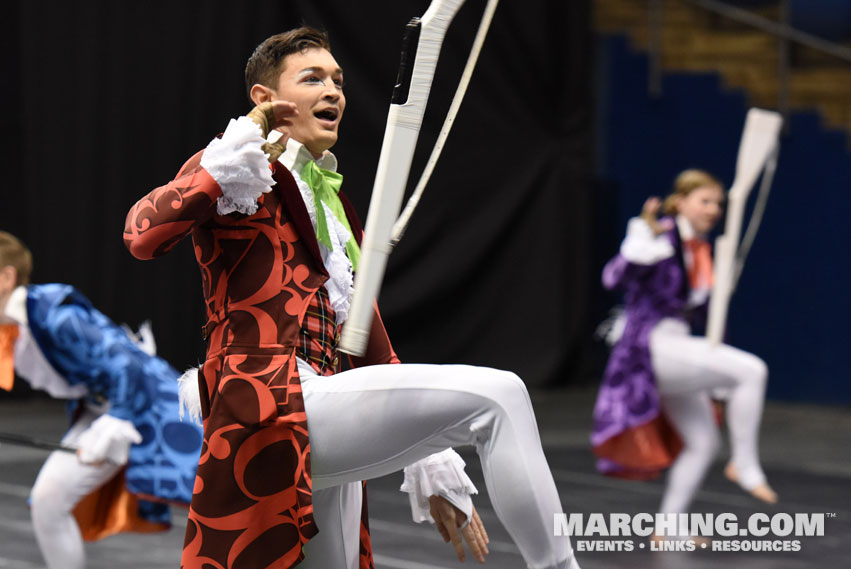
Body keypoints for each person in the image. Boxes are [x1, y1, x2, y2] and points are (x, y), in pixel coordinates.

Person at [124, 26, 580, 569]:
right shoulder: (234, 169)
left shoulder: (332, 207)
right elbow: (143, 234)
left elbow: (368, 337)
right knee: (499, 395)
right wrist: (241, 140)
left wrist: (429, 460)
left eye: (338, 79)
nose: (335, 90)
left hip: (319, 402)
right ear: (265, 99)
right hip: (268, 398)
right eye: (312, 78)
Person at [0, 230, 204, 569]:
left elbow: (125, 364)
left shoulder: (55, 315)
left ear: (6, 277)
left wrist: (118, 421)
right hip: (105, 409)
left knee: (212, 493)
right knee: (50, 501)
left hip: (146, 405)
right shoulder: (16, 324)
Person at [591, 169, 777, 539]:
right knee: (753, 370)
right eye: (705, 201)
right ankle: (745, 464)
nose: (713, 209)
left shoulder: (702, 250)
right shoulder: (660, 236)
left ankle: (668, 527)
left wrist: (716, 381)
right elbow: (613, 278)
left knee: (703, 442)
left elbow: (708, 321)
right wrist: (642, 243)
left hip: (680, 348)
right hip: (650, 348)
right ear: (681, 202)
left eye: (718, 203)